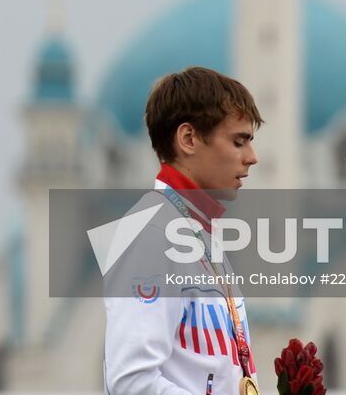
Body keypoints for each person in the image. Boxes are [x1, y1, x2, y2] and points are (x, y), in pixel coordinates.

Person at [103, 66, 263, 395]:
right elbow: (131, 382)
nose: (252, 157)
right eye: (238, 141)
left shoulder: (197, 231)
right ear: (188, 138)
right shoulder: (151, 233)